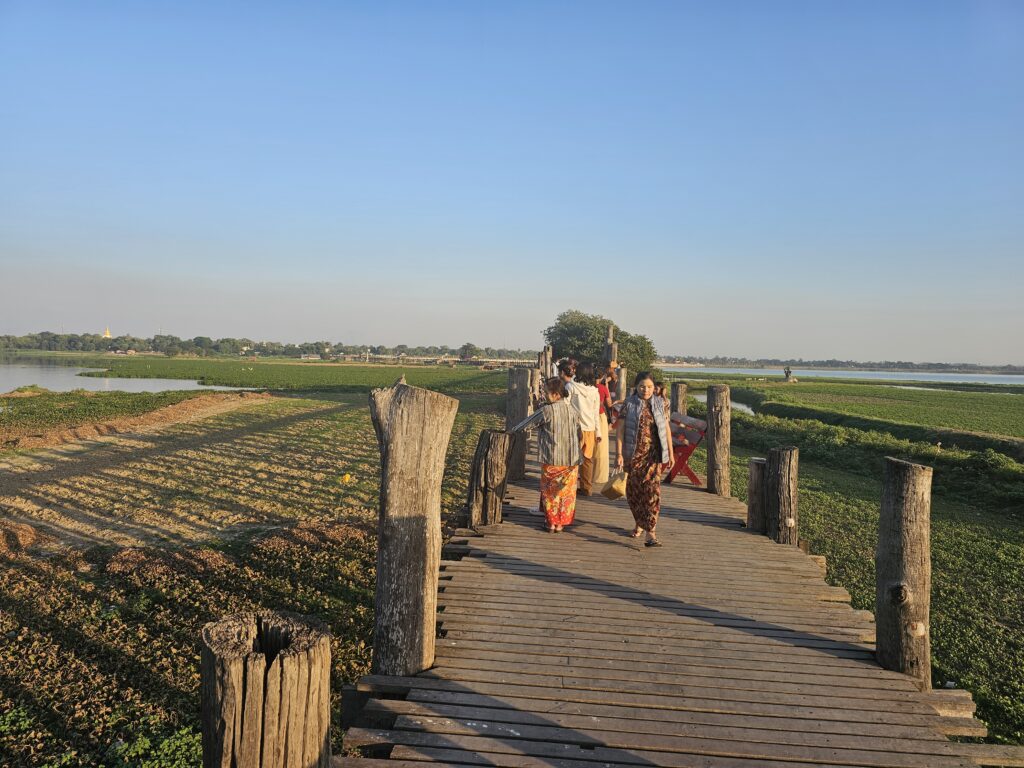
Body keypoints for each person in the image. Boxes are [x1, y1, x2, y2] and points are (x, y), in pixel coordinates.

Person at [509, 377, 583, 532]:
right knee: (565, 492)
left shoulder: (547, 411)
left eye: (546, 393)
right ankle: (560, 523)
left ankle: (551, 523)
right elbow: (579, 433)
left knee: (550, 492)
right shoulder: (573, 410)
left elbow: (526, 425)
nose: (544, 395)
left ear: (556, 394)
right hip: (571, 459)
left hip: (552, 458)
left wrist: (511, 431)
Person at [615, 371, 674, 546]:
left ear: (654, 387)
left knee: (652, 492)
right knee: (634, 493)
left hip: (653, 457)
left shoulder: (661, 403)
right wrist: (618, 454)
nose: (646, 390)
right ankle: (639, 522)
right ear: (636, 387)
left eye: (649, 387)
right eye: (642, 386)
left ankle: (651, 532)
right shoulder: (629, 404)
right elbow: (620, 430)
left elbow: (667, 430)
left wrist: (670, 453)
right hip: (633, 456)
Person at [569, 362, 602, 495]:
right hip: (590, 429)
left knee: (572, 460)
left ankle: (570, 486)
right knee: (587, 460)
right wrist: (598, 432)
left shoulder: (571, 386)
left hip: (574, 428)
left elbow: (566, 405)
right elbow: (596, 413)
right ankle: (586, 488)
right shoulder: (595, 391)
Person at [593, 366, 615, 486]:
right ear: (602, 377)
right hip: (600, 416)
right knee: (601, 447)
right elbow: (609, 404)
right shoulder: (602, 388)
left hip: (589, 418)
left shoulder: (589, 387)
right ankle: (599, 475)